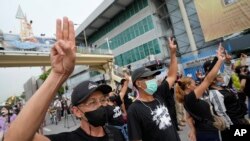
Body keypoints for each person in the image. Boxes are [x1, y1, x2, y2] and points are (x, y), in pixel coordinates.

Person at [4, 17, 124, 141]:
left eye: (103, 100)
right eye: (92, 102)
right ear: (77, 111)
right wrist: (58, 74)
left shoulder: (117, 134)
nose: (100, 106)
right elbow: (14, 138)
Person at [127, 37, 180, 141]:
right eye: (148, 78)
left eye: (153, 77)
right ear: (138, 83)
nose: (153, 80)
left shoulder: (158, 94)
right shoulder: (134, 110)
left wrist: (173, 54)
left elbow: (172, 76)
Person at [175, 44, 225, 141]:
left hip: (203, 131)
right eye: (194, 83)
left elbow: (188, 117)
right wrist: (220, 60)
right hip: (207, 133)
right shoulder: (190, 98)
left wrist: (216, 58)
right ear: (188, 86)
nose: (196, 84)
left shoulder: (187, 99)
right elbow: (208, 80)